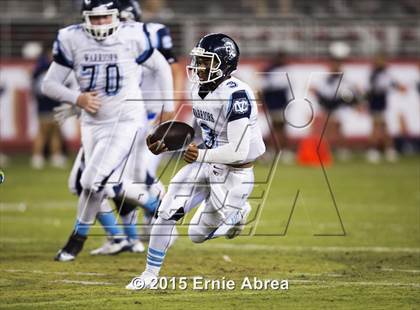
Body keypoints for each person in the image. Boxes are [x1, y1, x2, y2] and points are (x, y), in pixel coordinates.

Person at [126, 33, 266, 290]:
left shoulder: (238, 96)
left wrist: (199, 154)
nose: (198, 67)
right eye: (198, 61)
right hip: (207, 162)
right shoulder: (198, 89)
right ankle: (149, 274)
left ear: (224, 64)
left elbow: (237, 151)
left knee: (196, 235)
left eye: (206, 62)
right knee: (166, 212)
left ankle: (237, 214)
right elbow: (201, 134)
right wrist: (165, 142)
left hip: (235, 173)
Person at [41, 0, 173, 262]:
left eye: (106, 17)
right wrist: (76, 99)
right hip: (92, 125)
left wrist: (168, 108)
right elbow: (49, 84)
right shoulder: (71, 38)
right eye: (95, 18)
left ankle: (79, 240)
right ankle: (134, 229)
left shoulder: (133, 36)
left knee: (93, 181)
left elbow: (162, 66)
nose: (101, 23)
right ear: (84, 18)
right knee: (93, 184)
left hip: (127, 121)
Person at [366, 55, 406, 163]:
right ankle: (377, 150)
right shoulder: (375, 74)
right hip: (376, 104)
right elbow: (378, 87)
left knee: (382, 127)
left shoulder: (384, 73)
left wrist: (398, 86)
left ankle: (385, 150)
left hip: (382, 104)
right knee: (377, 128)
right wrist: (397, 86)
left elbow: (392, 83)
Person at [31, 50, 67, 169]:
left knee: (53, 132)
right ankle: (39, 157)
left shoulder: (37, 71)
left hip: (50, 105)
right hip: (47, 104)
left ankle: (49, 157)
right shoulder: (51, 71)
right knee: (44, 132)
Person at [260, 51, 293, 163]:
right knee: (277, 128)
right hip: (275, 104)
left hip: (279, 104)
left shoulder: (273, 70)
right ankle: (275, 150)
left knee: (279, 128)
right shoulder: (273, 70)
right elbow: (268, 86)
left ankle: (276, 150)